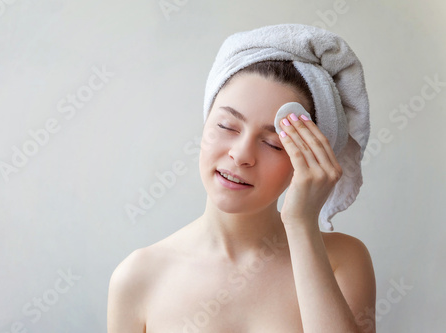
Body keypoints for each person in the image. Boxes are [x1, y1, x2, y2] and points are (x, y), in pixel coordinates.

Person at [107, 25, 376, 333]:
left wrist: (301, 225)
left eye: (274, 143)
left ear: (309, 158)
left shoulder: (342, 261)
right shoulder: (138, 277)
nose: (241, 154)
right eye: (227, 126)